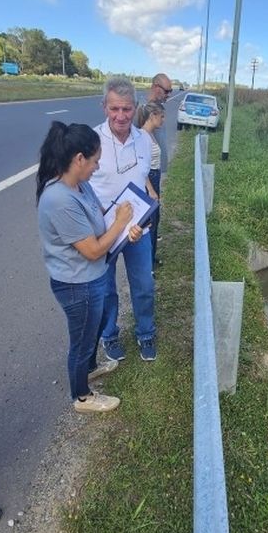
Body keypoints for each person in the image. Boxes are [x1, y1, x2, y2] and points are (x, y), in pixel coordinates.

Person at [36, 121, 142, 412]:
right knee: (81, 340)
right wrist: (120, 223)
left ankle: (90, 368)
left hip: (92, 278)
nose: (97, 167)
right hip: (77, 284)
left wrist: (126, 225)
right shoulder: (59, 199)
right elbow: (93, 250)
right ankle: (82, 396)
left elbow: (101, 220)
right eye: (95, 161)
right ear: (79, 159)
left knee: (93, 328)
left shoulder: (81, 187)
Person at [89, 77, 158, 362]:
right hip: (103, 230)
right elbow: (77, 186)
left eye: (127, 109)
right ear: (104, 106)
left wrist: (150, 206)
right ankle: (110, 335)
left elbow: (145, 178)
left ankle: (146, 333)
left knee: (144, 285)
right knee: (106, 290)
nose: (121, 116)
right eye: (115, 108)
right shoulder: (92, 141)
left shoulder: (144, 139)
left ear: (135, 108)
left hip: (137, 229)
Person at [135, 101, 166, 268]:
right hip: (149, 183)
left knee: (156, 221)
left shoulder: (151, 134)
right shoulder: (142, 136)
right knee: (150, 224)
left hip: (155, 178)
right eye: (161, 116)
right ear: (152, 116)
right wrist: (151, 190)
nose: (163, 120)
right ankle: (147, 264)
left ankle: (151, 259)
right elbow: (142, 168)